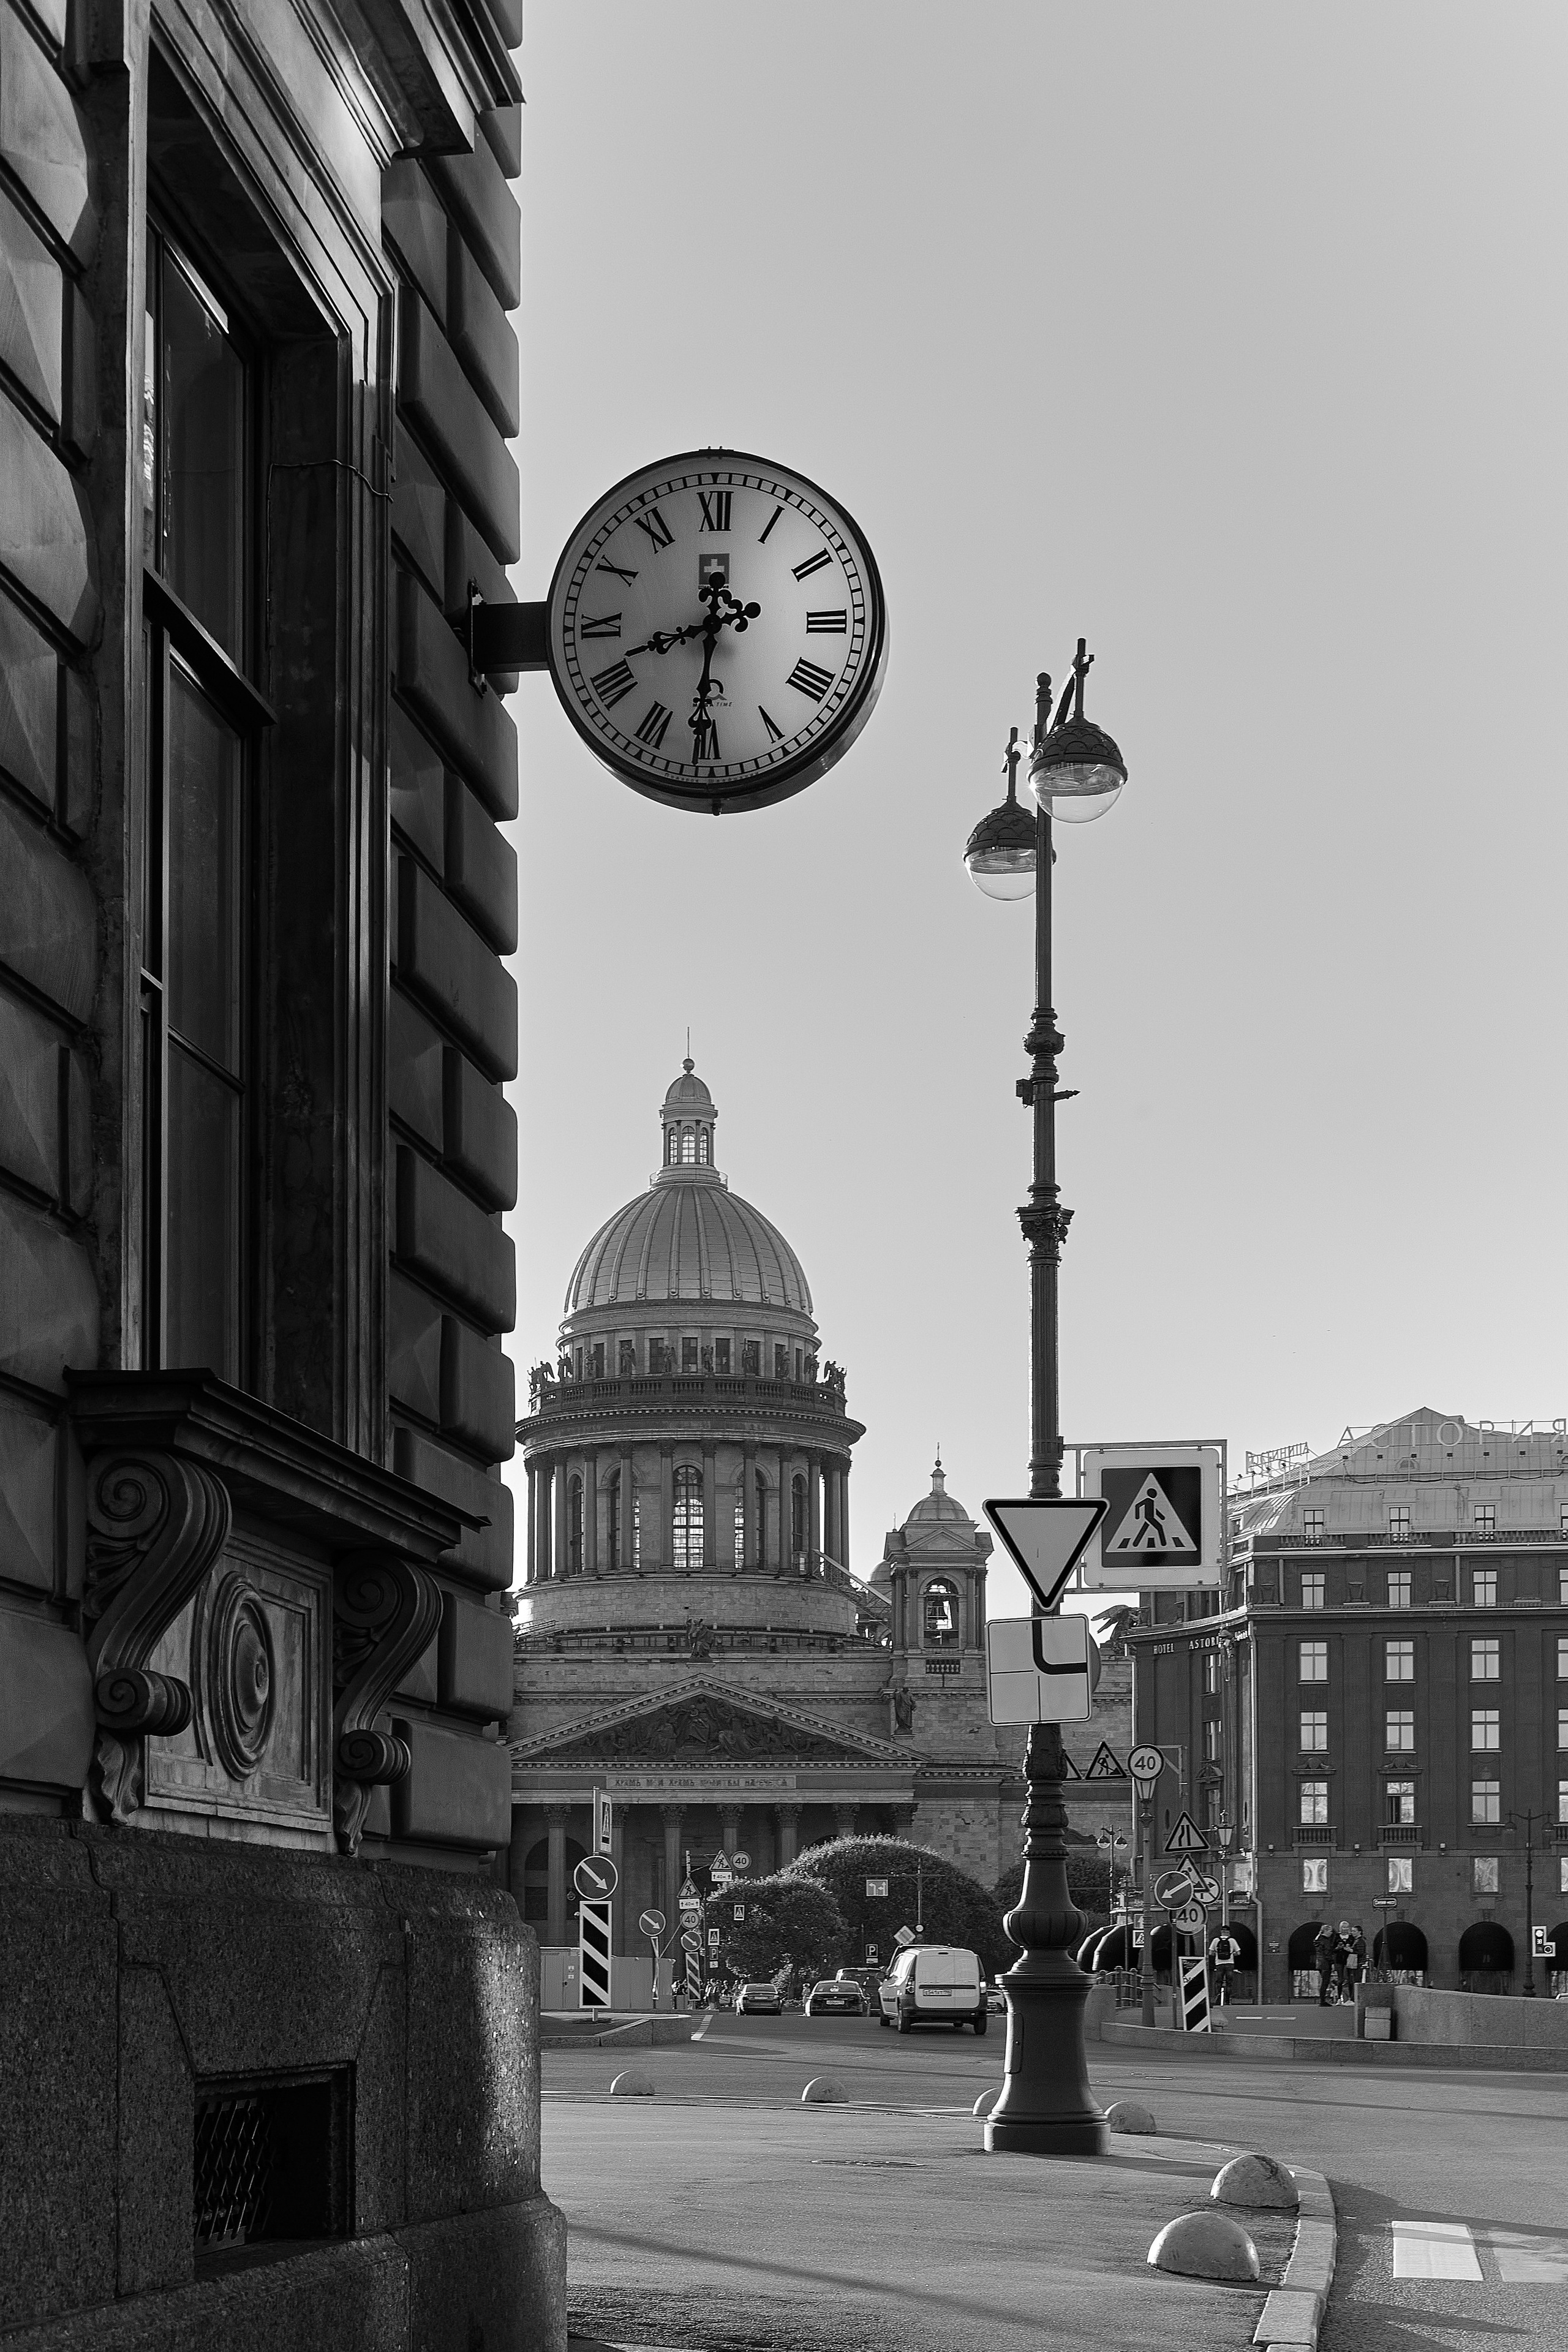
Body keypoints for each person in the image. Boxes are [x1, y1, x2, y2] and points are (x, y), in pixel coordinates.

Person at [1208, 1925, 1242, 2005]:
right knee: (1229, 1982)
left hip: (1219, 1964)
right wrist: (1232, 1954)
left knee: (1218, 1981)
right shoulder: (1232, 1940)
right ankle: (1228, 2000)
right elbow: (1239, 1952)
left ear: (1221, 1932)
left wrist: (1217, 1954)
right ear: (1229, 1933)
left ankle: (1218, 1996)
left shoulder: (1216, 1940)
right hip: (1230, 1964)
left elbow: (1210, 1953)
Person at [1314, 1920, 1336, 2007]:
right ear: (1326, 1931)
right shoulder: (1326, 1941)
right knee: (1325, 1982)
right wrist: (1332, 1963)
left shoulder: (1318, 1940)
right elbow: (1328, 1953)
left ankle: (1322, 2000)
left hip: (1319, 1963)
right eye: (1330, 1931)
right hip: (1326, 1963)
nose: (1331, 1933)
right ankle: (1322, 2001)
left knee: (1324, 1982)